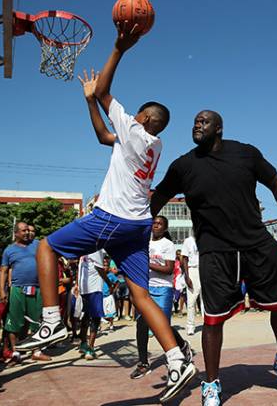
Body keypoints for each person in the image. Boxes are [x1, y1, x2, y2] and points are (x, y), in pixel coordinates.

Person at [16, 24, 196, 403]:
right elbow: (103, 136)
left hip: (112, 218)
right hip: (138, 225)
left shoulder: (134, 130)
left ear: (144, 118)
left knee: (47, 246)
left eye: (139, 113)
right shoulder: (151, 143)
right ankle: (178, 359)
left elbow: (103, 92)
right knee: (141, 296)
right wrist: (88, 103)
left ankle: (52, 323)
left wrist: (119, 48)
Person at [151, 109, 277, 405]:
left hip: (256, 242)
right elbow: (159, 196)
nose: (197, 125)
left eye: (204, 121)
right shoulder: (183, 166)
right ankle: (211, 383)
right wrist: (135, 229)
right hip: (215, 250)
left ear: (219, 128)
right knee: (213, 319)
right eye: (195, 122)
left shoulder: (245, 154)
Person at [131, 216, 192, 379]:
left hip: (163, 288)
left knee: (163, 326)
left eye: (159, 224)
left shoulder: (168, 245)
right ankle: (143, 363)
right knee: (141, 324)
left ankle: (182, 346)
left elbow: (169, 269)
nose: (156, 226)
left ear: (165, 228)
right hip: (146, 288)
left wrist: (147, 264)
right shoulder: (145, 243)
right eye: (154, 223)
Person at [0, 222, 50, 363]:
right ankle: (15, 352)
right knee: (14, 322)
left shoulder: (38, 244)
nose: (27, 233)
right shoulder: (9, 250)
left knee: (37, 321)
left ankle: (37, 351)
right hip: (17, 289)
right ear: (16, 233)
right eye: (23, 231)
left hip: (37, 289)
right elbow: (3, 271)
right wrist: (3, 291)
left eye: (28, 230)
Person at [76, 250, 112, 360]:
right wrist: (109, 283)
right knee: (95, 318)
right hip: (94, 287)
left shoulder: (84, 248)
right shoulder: (96, 248)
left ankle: (83, 344)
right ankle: (90, 349)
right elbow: (99, 269)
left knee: (86, 315)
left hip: (84, 287)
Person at [182, 235, 202, 336]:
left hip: (204, 269)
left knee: (206, 300)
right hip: (192, 270)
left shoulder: (205, 238)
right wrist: (187, 276)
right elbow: (184, 259)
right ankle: (190, 326)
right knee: (191, 301)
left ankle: (209, 323)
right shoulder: (188, 241)